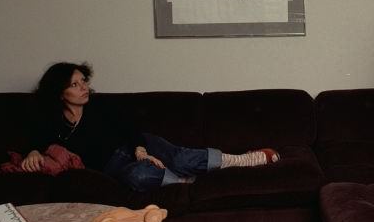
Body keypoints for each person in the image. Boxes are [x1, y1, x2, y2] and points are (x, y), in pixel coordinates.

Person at [19, 62, 279, 191]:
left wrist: (142, 150)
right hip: (118, 167)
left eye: (83, 81)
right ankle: (184, 183)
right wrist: (33, 152)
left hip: (138, 147)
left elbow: (130, 128)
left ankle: (244, 160)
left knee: (181, 156)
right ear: (59, 92)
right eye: (74, 84)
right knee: (138, 177)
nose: (84, 87)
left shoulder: (99, 106)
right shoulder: (50, 121)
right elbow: (33, 140)